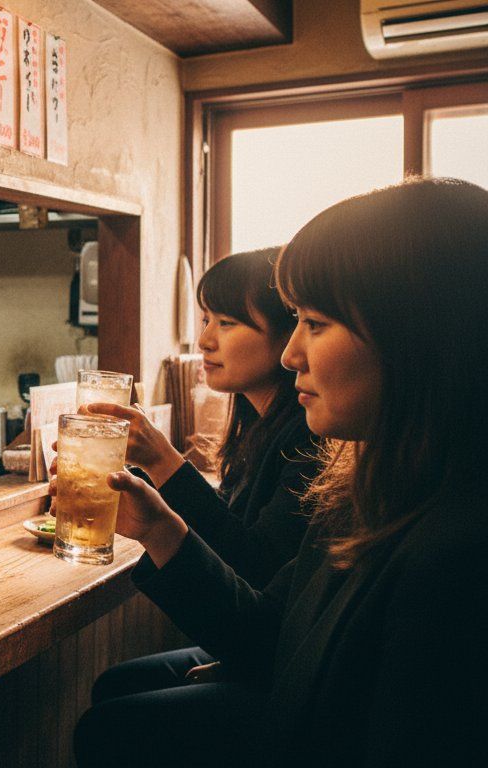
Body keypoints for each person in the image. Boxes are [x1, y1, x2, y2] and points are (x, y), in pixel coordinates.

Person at [74, 177, 488, 766]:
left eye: (315, 323)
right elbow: (273, 638)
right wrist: (160, 528)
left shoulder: (456, 558)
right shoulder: (361, 490)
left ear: (420, 337)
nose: (292, 353)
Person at [77, 249, 323, 710]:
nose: (205, 339)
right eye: (206, 318)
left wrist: (164, 463)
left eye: (227, 322)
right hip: (273, 640)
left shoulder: (311, 439)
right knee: (115, 687)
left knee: (110, 717)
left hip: (290, 667)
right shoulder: (257, 424)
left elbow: (253, 566)